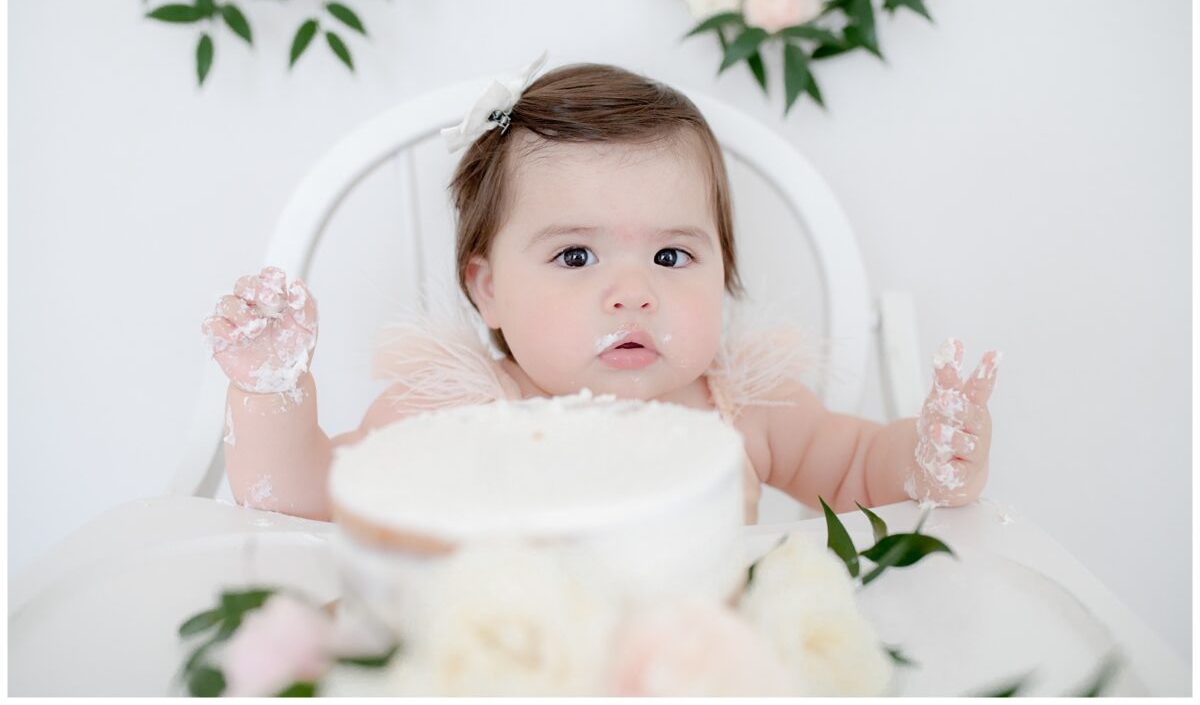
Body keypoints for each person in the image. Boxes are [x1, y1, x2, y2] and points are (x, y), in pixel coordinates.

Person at [201, 50, 1001, 524]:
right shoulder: (452, 411)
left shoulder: (744, 406)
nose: (632, 293)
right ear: (486, 290)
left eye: (672, 257)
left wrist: (926, 454)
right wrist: (271, 387)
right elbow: (300, 498)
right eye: (577, 257)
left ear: (723, 267)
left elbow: (859, 468)